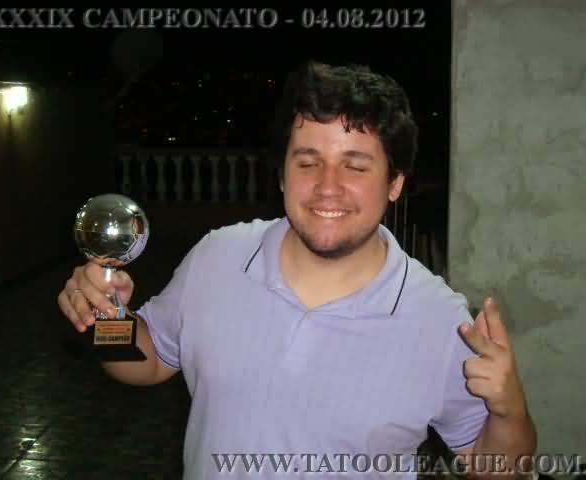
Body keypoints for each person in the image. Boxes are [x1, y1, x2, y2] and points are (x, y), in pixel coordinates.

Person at [58, 60, 536, 479]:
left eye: (355, 166)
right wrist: (105, 320)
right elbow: (150, 361)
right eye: (308, 162)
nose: (328, 186)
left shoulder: (441, 320)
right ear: (283, 174)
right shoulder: (218, 257)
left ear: (394, 183)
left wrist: (510, 413)